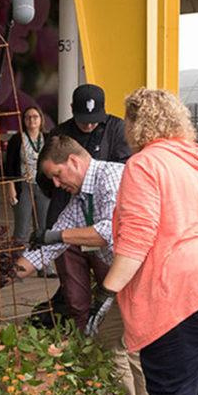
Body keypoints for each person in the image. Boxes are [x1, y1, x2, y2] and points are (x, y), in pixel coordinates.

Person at [97, 88, 198, 395]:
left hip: (178, 292)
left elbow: (137, 236)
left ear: (135, 124)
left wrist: (108, 289)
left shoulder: (145, 164)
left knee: (172, 389)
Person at [14, 135, 158, 395]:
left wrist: (57, 237)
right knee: (107, 344)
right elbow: (60, 233)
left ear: (74, 163)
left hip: (146, 277)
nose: (55, 184)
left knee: (139, 355)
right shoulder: (81, 194)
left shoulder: (112, 177)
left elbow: (110, 230)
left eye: (57, 175)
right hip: (123, 280)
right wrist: (19, 266)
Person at [40, 84, 131, 327]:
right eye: (84, 120)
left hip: (104, 217)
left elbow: (126, 170)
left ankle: (110, 332)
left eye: (94, 120)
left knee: (112, 287)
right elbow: (45, 179)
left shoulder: (116, 128)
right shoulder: (59, 135)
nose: (89, 125)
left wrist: (94, 184)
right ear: (72, 111)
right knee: (74, 291)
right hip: (71, 215)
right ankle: (84, 336)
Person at [4, 105, 51, 245]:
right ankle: (18, 263)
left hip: (43, 186)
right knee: (21, 228)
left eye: (35, 117)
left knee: (43, 228)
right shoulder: (17, 139)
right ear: (23, 120)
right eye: (28, 117)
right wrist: (10, 186)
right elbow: (9, 166)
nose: (32, 120)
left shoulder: (48, 138)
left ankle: (43, 264)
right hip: (23, 185)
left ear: (41, 119)